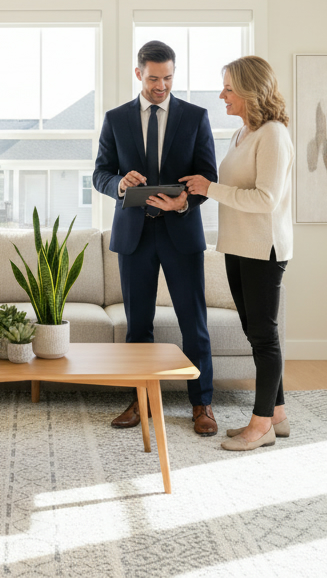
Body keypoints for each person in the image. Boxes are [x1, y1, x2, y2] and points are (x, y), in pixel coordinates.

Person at [93, 41, 220, 436]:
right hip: (134, 237)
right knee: (138, 327)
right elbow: (100, 173)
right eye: (153, 78)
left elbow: (207, 177)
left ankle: (202, 404)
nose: (161, 85)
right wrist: (119, 183)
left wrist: (183, 203)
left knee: (193, 323)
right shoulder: (116, 119)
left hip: (181, 234)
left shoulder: (196, 117)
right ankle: (140, 399)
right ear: (138, 75)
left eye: (167, 78)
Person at [180, 55, 293, 451]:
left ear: (249, 90)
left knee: (264, 337)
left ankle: (260, 425)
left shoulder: (274, 135)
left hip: (264, 248)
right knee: (254, 332)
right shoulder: (243, 133)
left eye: (229, 88)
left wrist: (209, 188)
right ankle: (276, 414)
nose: (222, 95)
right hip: (238, 246)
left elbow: (266, 199)